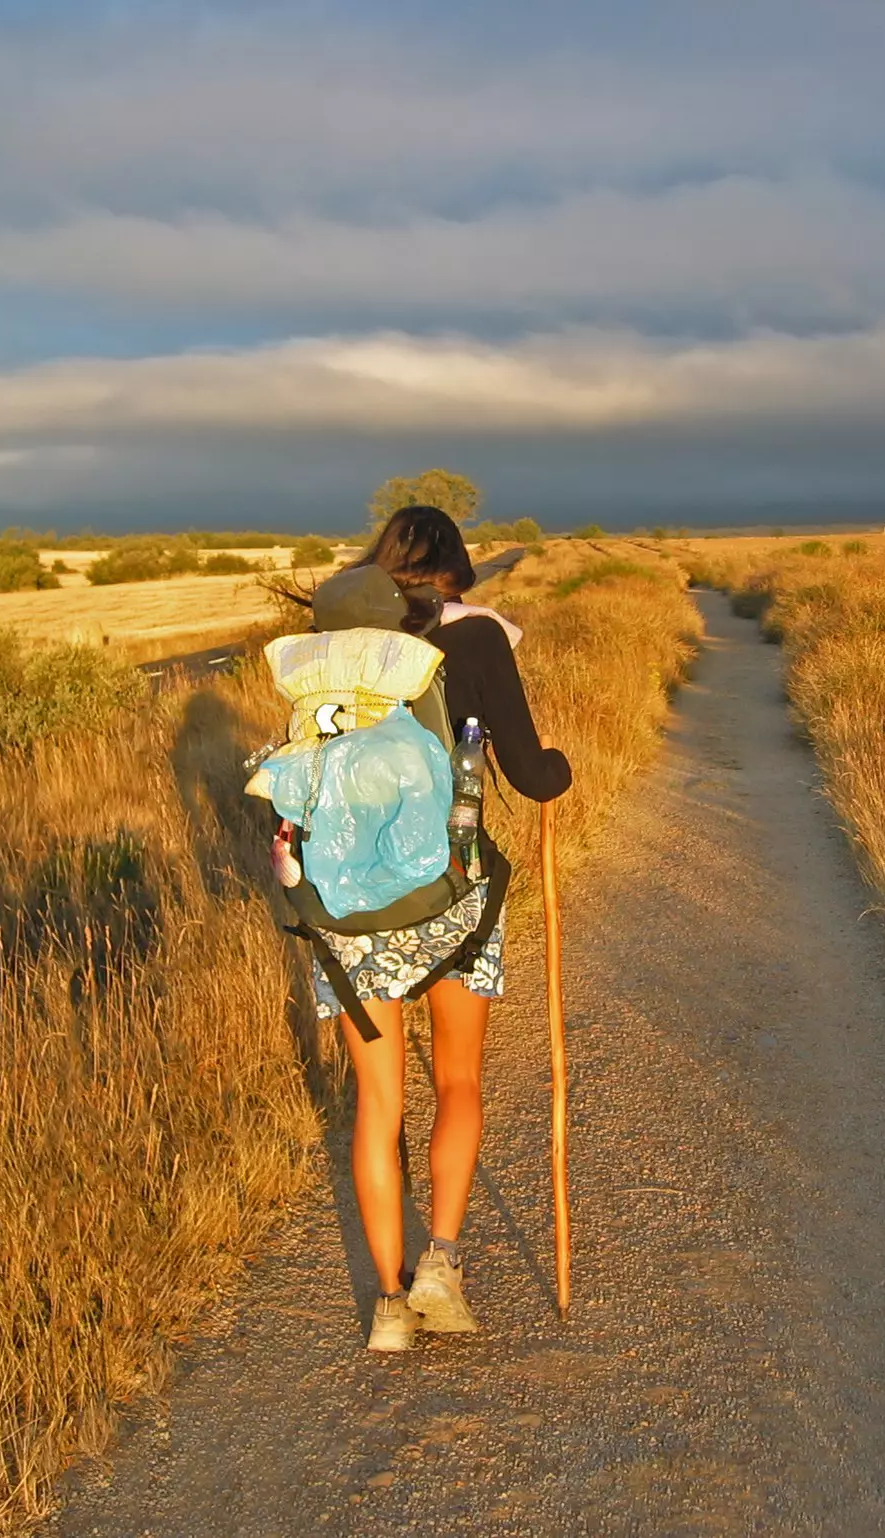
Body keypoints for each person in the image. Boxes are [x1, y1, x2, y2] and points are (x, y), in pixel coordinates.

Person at [313, 505, 571, 1352]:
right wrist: (559, 768)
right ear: (458, 568)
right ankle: (441, 1267)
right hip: (455, 895)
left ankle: (388, 1308)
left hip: (348, 899)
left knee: (376, 1101)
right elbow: (532, 778)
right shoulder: (478, 640)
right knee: (458, 1081)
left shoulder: (337, 651)